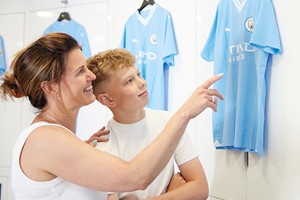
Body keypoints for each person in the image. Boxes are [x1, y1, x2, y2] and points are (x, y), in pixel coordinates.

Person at [0, 32, 224, 200]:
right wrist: (184, 114)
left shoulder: (63, 139)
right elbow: (135, 177)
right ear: (50, 88)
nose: (91, 76)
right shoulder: (45, 140)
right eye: (80, 71)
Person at [87, 48, 209, 200]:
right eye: (129, 81)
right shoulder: (102, 148)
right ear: (108, 100)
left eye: (138, 74)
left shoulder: (170, 123)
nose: (142, 83)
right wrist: (172, 194)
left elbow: (200, 188)